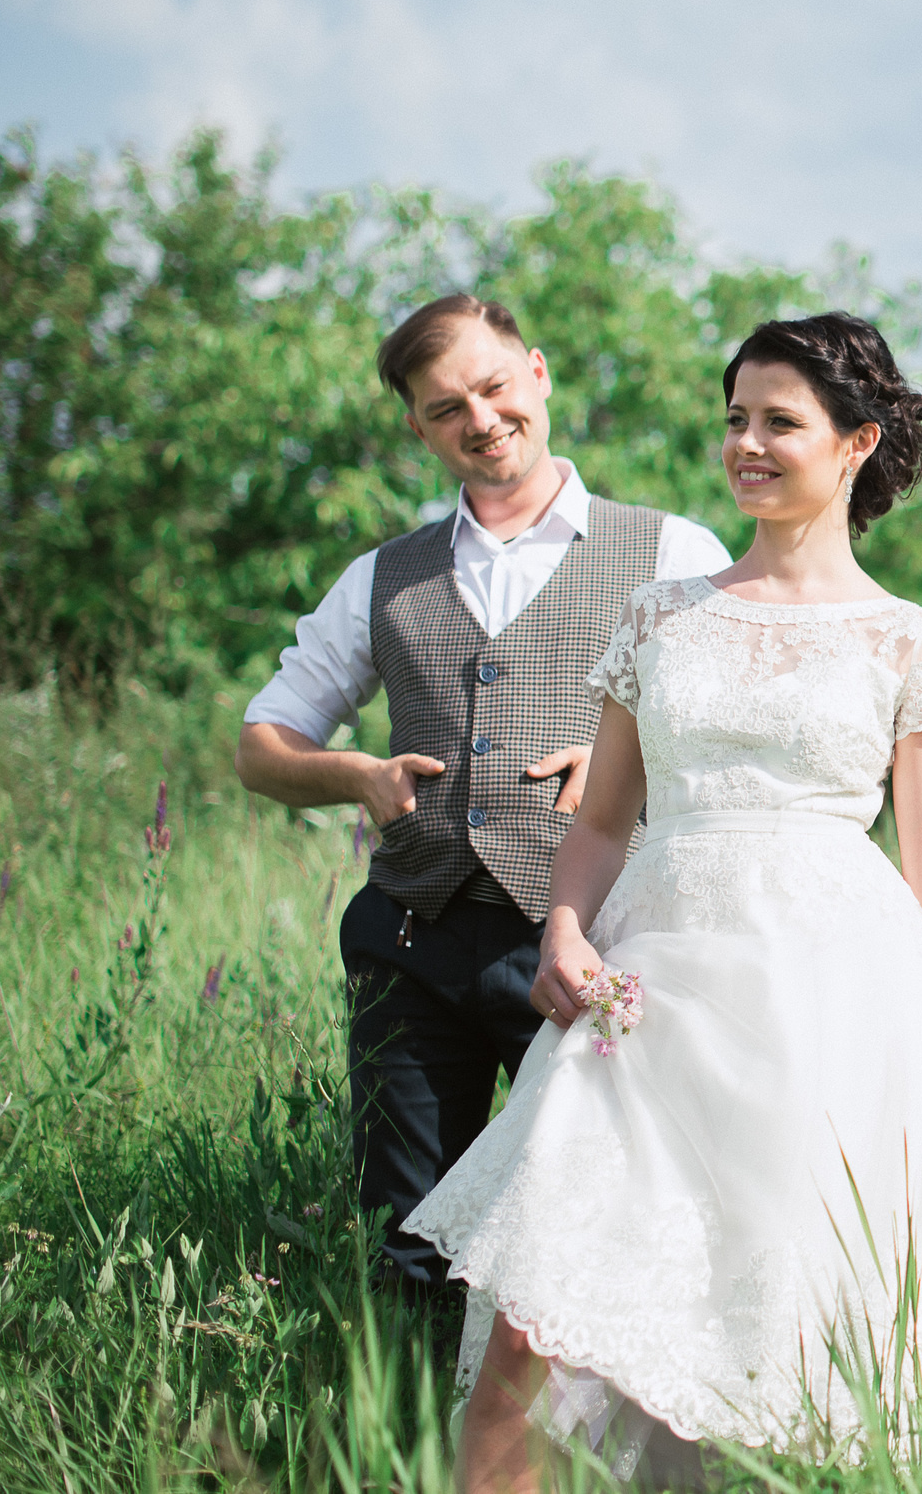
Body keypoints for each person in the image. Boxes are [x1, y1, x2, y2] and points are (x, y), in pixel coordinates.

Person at [403, 313, 922, 1488]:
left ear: (855, 443)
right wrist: (568, 927)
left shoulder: (909, 639)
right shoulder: (661, 612)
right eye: (734, 418)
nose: (746, 443)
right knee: (538, 1312)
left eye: (778, 421)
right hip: (651, 993)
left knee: (788, 1333)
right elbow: (600, 820)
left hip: (835, 1007)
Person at [234, 295, 733, 1295]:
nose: (482, 417)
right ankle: (411, 1446)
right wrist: (357, 774)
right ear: (418, 427)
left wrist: (628, 769)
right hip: (411, 940)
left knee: (604, 1224)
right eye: (447, 405)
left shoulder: (673, 552)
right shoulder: (384, 576)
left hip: (592, 938)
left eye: (495, 386)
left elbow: (737, 737)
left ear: (537, 374)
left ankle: (571, 1451)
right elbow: (261, 742)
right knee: (411, 1239)